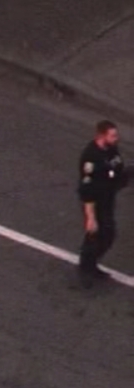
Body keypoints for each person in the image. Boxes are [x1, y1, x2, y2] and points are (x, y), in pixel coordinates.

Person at [77, 119, 124, 283]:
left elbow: (116, 168)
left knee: (106, 233)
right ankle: (87, 267)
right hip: (96, 201)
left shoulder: (111, 149)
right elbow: (87, 189)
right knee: (99, 234)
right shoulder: (91, 157)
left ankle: (90, 263)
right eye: (113, 136)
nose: (116, 138)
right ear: (101, 136)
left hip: (108, 195)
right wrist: (90, 217)